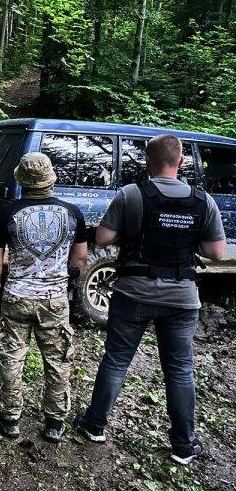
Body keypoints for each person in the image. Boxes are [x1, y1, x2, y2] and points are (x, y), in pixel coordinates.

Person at [76, 135, 226, 465]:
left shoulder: (131, 194)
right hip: (182, 298)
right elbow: (216, 252)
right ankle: (183, 446)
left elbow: (103, 238)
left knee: (116, 360)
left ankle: (95, 425)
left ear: (147, 162)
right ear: (182, 162)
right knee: (180, 371)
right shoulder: (204, 201)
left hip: (133, 293)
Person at [0, 152, 87, 443]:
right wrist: (69, 280)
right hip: (54, 298)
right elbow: (79, 256)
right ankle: (54, 422)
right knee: (57, 360)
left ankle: (10, 418)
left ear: (21, 179)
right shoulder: (72, 212)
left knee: (12, 358)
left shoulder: (7, 212)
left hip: (16, 295)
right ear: (50, 178)